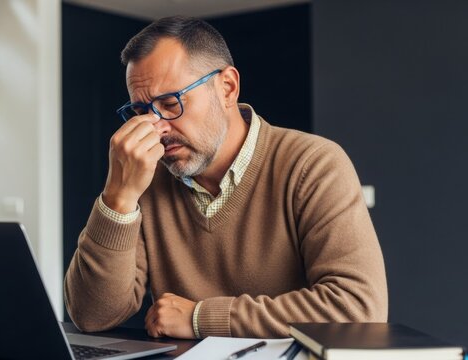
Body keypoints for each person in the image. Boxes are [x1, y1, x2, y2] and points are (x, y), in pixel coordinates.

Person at [64, 15, 388, 339]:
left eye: (170, 103)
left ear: (227, 88)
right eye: (141, 111)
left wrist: (200, 317)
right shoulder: (144, 179)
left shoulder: (313, 165)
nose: (156, 127)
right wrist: (118, 199)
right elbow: (92, 316)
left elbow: (359, 309)